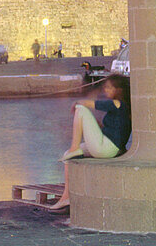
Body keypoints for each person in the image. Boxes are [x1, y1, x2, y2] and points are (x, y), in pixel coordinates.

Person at [49, 74, 131, 212]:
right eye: (105, 88)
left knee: (81, 109)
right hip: (106, 146)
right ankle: (66, 196)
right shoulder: (120, 108)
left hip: (106, 148)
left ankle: (75, 148)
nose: (106, 91)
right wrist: (92, 125)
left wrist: (76, 103)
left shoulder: (118, 104)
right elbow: (114, 129)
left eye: (109, 88)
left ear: (119, 90)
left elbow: (87, 104)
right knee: (67, 155)